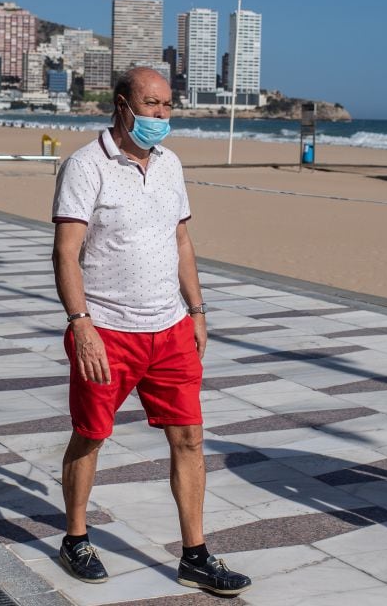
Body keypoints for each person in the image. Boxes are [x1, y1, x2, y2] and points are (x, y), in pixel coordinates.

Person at [50, 67, 252, 596]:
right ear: (122, 105)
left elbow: (181, 240)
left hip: (170, 328)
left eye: (167, 105)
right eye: (151, 104)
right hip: (108, 331)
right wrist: (81, 324)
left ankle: (196, 555)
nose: (161, 115)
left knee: (188, 438)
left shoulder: (170, 165)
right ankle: (75, 537)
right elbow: (66, 252)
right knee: (91, 435)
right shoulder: (85, 165)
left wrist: (198, 310)